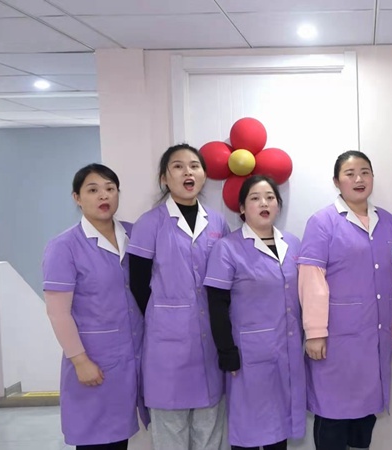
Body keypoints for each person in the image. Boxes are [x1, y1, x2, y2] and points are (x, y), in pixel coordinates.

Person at [298, 150, 392, 450]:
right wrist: (315, 332)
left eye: (365, 172)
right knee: (332, 413)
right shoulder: (322, 222)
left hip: (375, 337)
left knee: (365, 416)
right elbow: (311, 280)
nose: (359, 179)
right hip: (335, 341)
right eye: (349, 174)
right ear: (337, 182)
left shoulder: (388, 222)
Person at [128, 144, 230, 450]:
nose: (188, 172)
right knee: (170, 432)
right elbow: (138, 284)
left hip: (209, 343)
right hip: (166, 348)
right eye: (178, 166)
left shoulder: (217, 223)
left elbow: (224, 282)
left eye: (195, 166)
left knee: (209, 432)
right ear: (164, 178)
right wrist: (166, 314)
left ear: (204, 175)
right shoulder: (150, 223)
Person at [43, 164, 147, 450]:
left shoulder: (135, 235)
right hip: (95, 362)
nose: (104, 196)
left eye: (110, 189)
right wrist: (80, 361)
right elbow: (57, 312)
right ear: (77, 197)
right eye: (93, 190)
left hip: (136, 357)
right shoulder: (64, 246)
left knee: (123, 438)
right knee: (98, 440)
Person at [205, 175, 305, 450]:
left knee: (281, 428)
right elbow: (216, 303)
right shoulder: (227, 248)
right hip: (247, 357)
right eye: (255, 198)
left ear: (278, 205)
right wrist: (226, 351)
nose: (264, 203)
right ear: (241, 208)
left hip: (287, 351)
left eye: (270, 198)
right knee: (248, 430)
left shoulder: (293, 244)